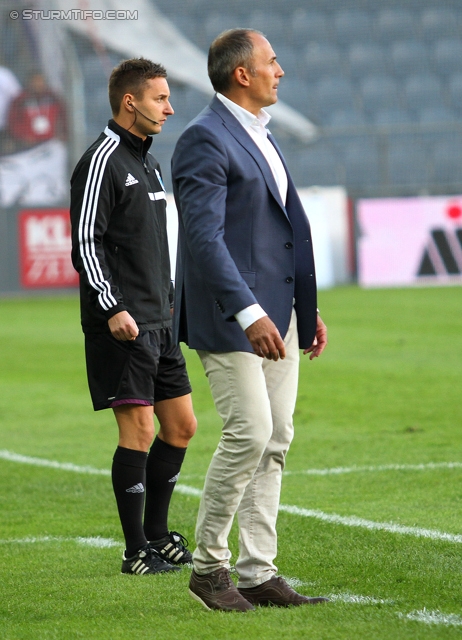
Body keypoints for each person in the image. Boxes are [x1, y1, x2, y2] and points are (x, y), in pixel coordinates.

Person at [171, 29, 329, 611]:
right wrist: (251, 312)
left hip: (277, 318)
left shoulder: (260, 134)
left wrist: (304, 311)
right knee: (250, 434)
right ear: (242, 73)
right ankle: (209, 568)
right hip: (232, 318)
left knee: (277, 439)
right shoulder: (202, 140)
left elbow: (278, 233)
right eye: (271, 62)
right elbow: (204, 240)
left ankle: (258, 572)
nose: (279, 71)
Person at [70, 58, 197, 575]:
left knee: (182, 427)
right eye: (160, 98)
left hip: (161, 322)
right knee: (139, 431)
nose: (169, 108)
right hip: (122, 325)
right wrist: (112, 306)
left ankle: (159, 533)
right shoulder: (100, 159)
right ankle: (134, 550)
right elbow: (85, 242)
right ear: (131, 101)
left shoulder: (149, 162)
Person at [8, 71, 66, 151]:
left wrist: (63, 134)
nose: (38, 84)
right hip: (29, 146)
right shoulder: (20, 100)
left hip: (51, 143)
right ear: (29, 83)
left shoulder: (53, 98)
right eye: (35, 81)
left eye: (40, 81)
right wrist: (22, 136)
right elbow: (13, 121)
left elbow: (63, 117)